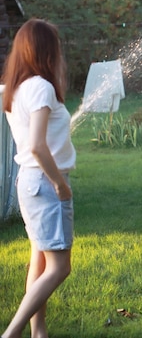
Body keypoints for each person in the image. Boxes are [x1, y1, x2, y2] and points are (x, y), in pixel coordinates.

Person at [1, 19, 76, 338]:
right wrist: (59, 183)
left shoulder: (15, 89)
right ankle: (13, 332)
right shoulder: (41, 87)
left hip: (29, 183)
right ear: (47, 50)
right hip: (45, 183)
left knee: (40, 260)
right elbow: (36, 145)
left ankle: (38, 332)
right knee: (60, 267)